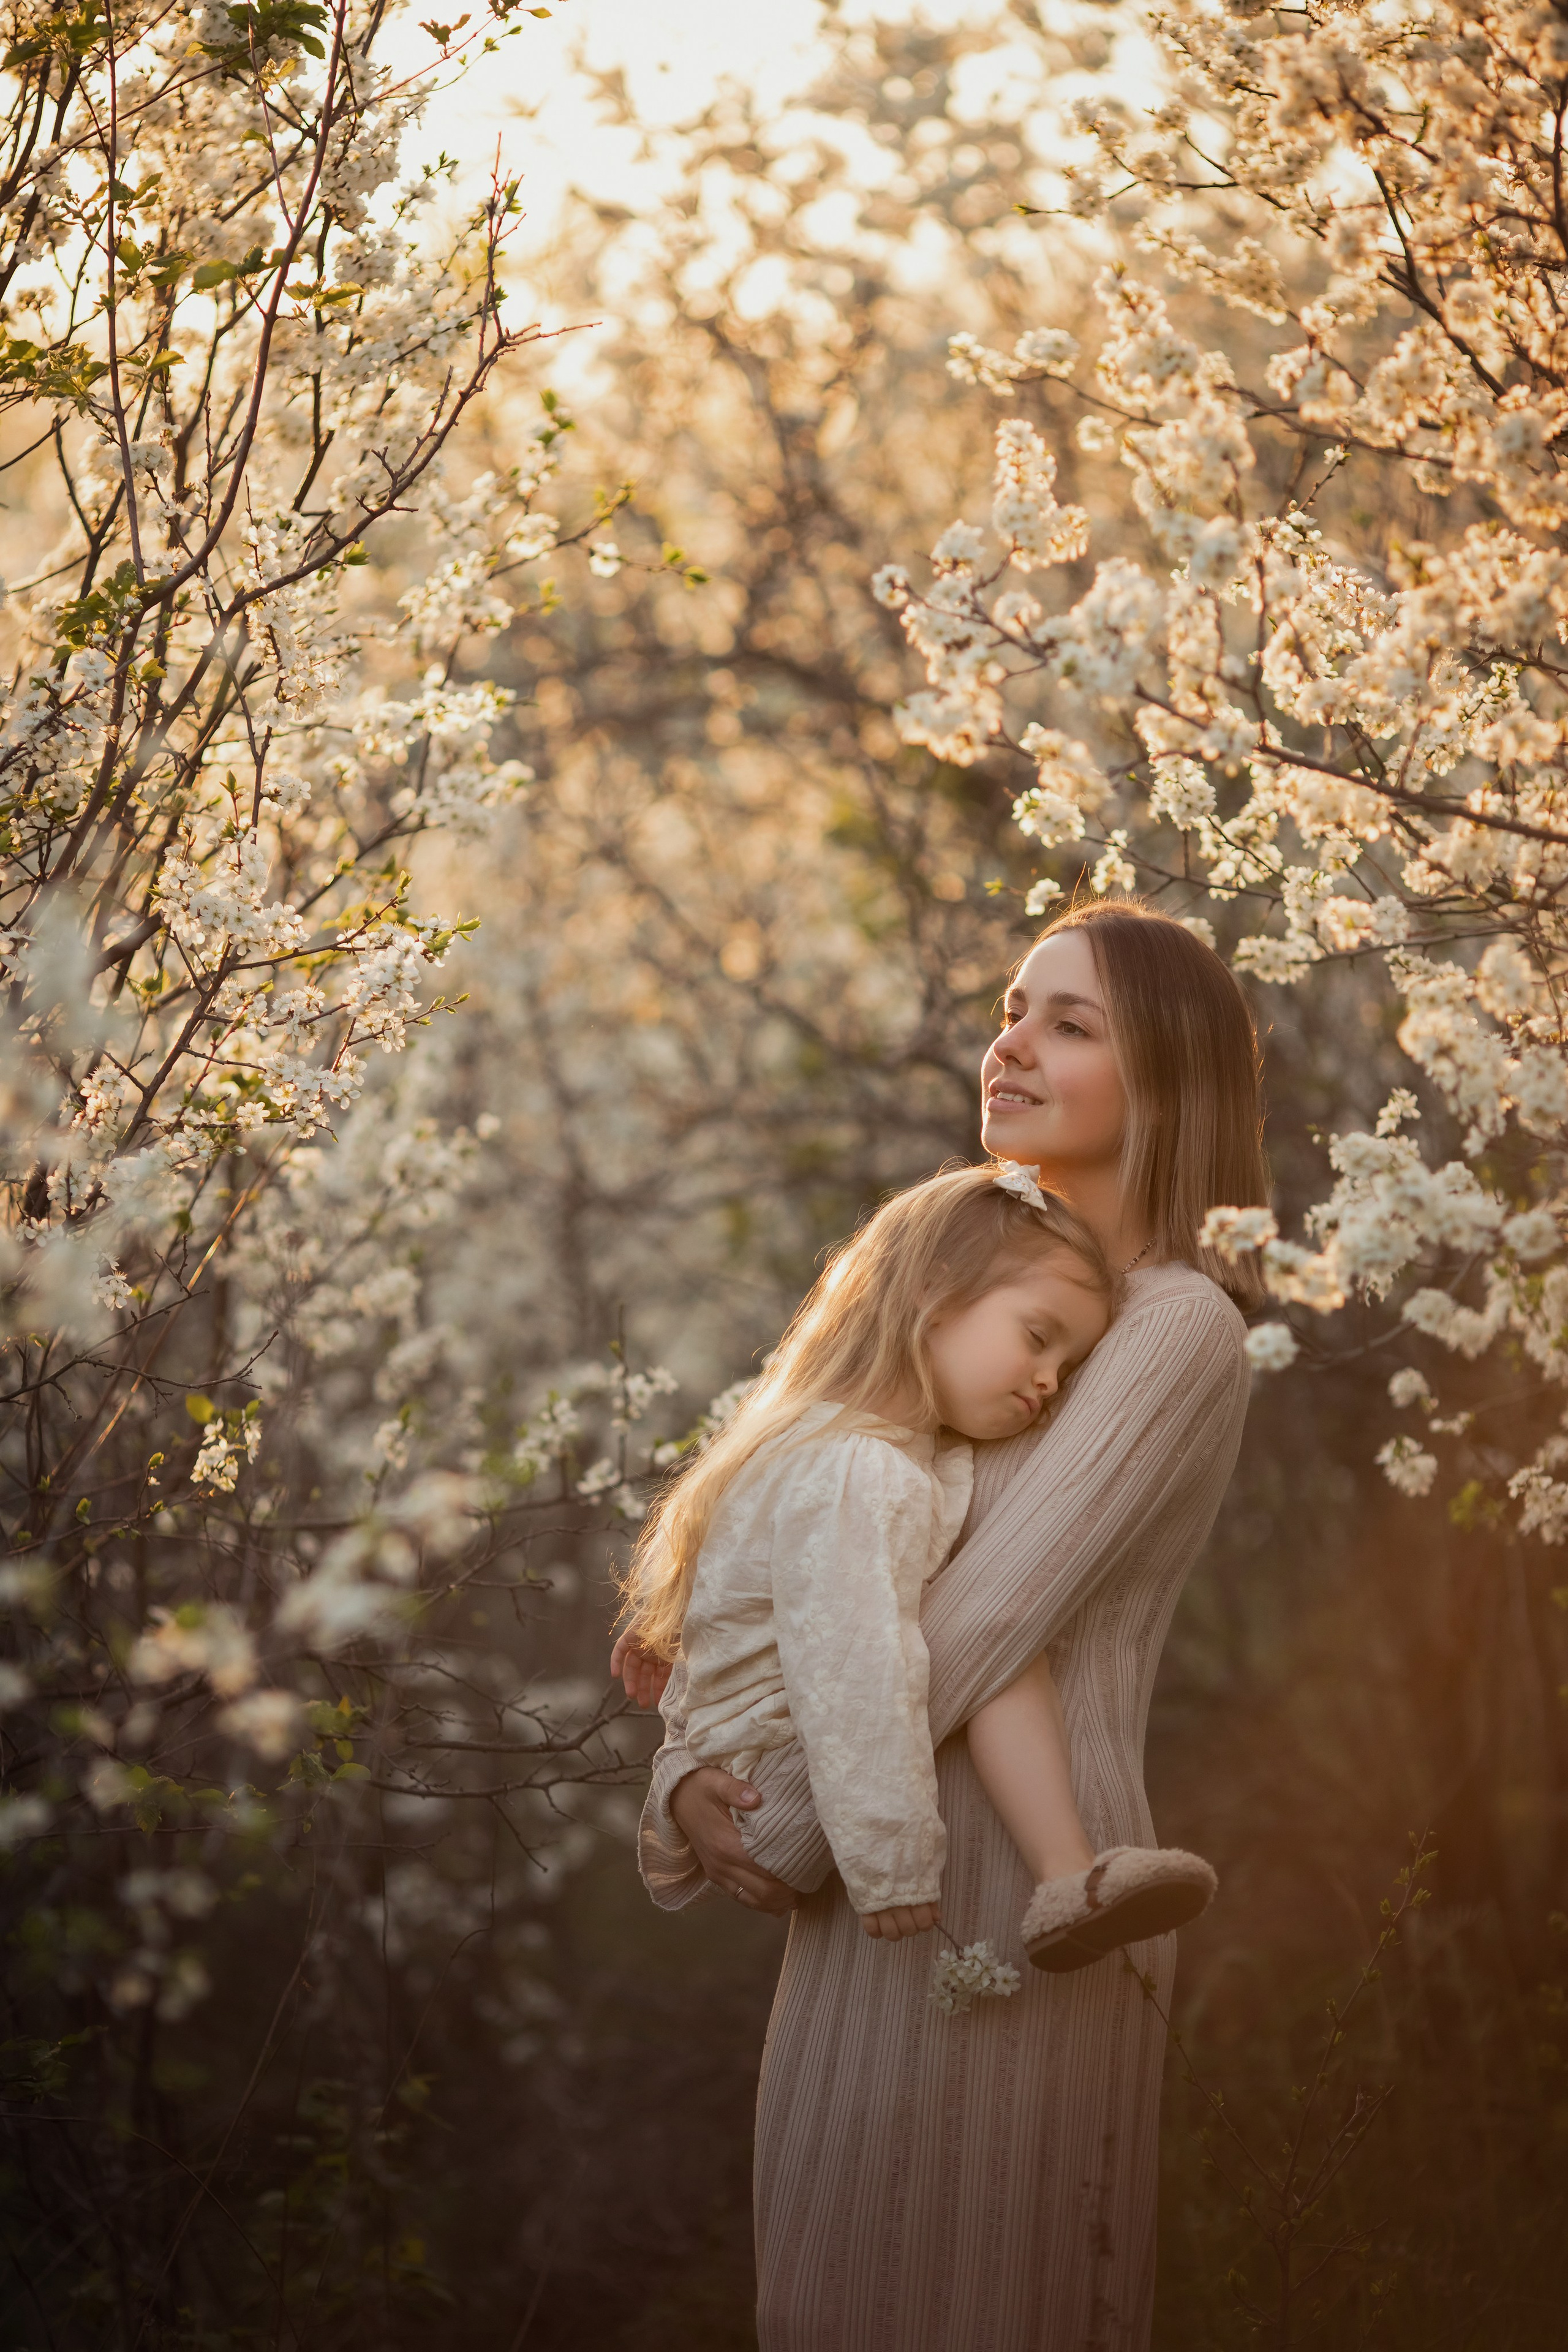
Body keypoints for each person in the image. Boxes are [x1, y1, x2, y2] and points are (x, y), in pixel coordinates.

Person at [632, 901, 1266, 2351]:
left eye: (1069, 1022)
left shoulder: (1174, 1329)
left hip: (1031, 1891)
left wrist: (781, 1823)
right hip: (872, 1887)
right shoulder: (971, 1292)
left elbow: (981, 1613)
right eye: (1010, 1005)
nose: (1011, 1042)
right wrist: (687, 1774)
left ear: (1163, 1083)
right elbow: (783, 1547)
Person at [612, 1162, 1217, 1975]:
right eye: (1039, 1338)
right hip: (783, 1791)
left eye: (1068, 1370)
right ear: (935, 1295)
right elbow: (855, 1667)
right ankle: (1068, 1875)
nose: (1048, 1379)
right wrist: (890, 1859)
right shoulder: (865, 1471)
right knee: (996, 1634)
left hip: (747, 1769)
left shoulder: (819, 1439)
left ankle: (1070, 1878)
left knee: (984, 1618)